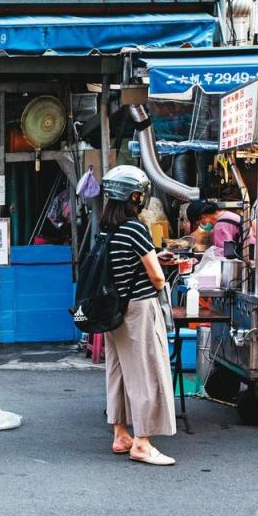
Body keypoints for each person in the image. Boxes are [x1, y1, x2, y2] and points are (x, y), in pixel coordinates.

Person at [101, 166, 177, 466]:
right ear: (135, 195)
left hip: (114, 310)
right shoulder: (134, 227)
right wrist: (159, 265)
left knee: (118, 372)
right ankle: (143, 443)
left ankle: (121, 434)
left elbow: (122, 264)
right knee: (147, 373)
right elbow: (157, 279)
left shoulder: (106, 227)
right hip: (139, 308)